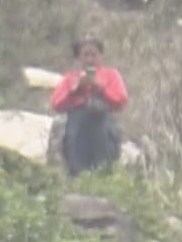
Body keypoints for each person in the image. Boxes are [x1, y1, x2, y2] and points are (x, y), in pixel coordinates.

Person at [50, 35, 129, 177]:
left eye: (94, 55)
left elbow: (121, 100)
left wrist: (100, 88)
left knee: (103, 168)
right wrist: (75, 89)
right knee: (77, 169)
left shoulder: (111, 75)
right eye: (85, 55)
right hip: (77, 130)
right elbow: (56, 103)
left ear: (100, 56)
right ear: (79, 57)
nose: (90, 59)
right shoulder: (70, 78)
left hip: (103, 128)